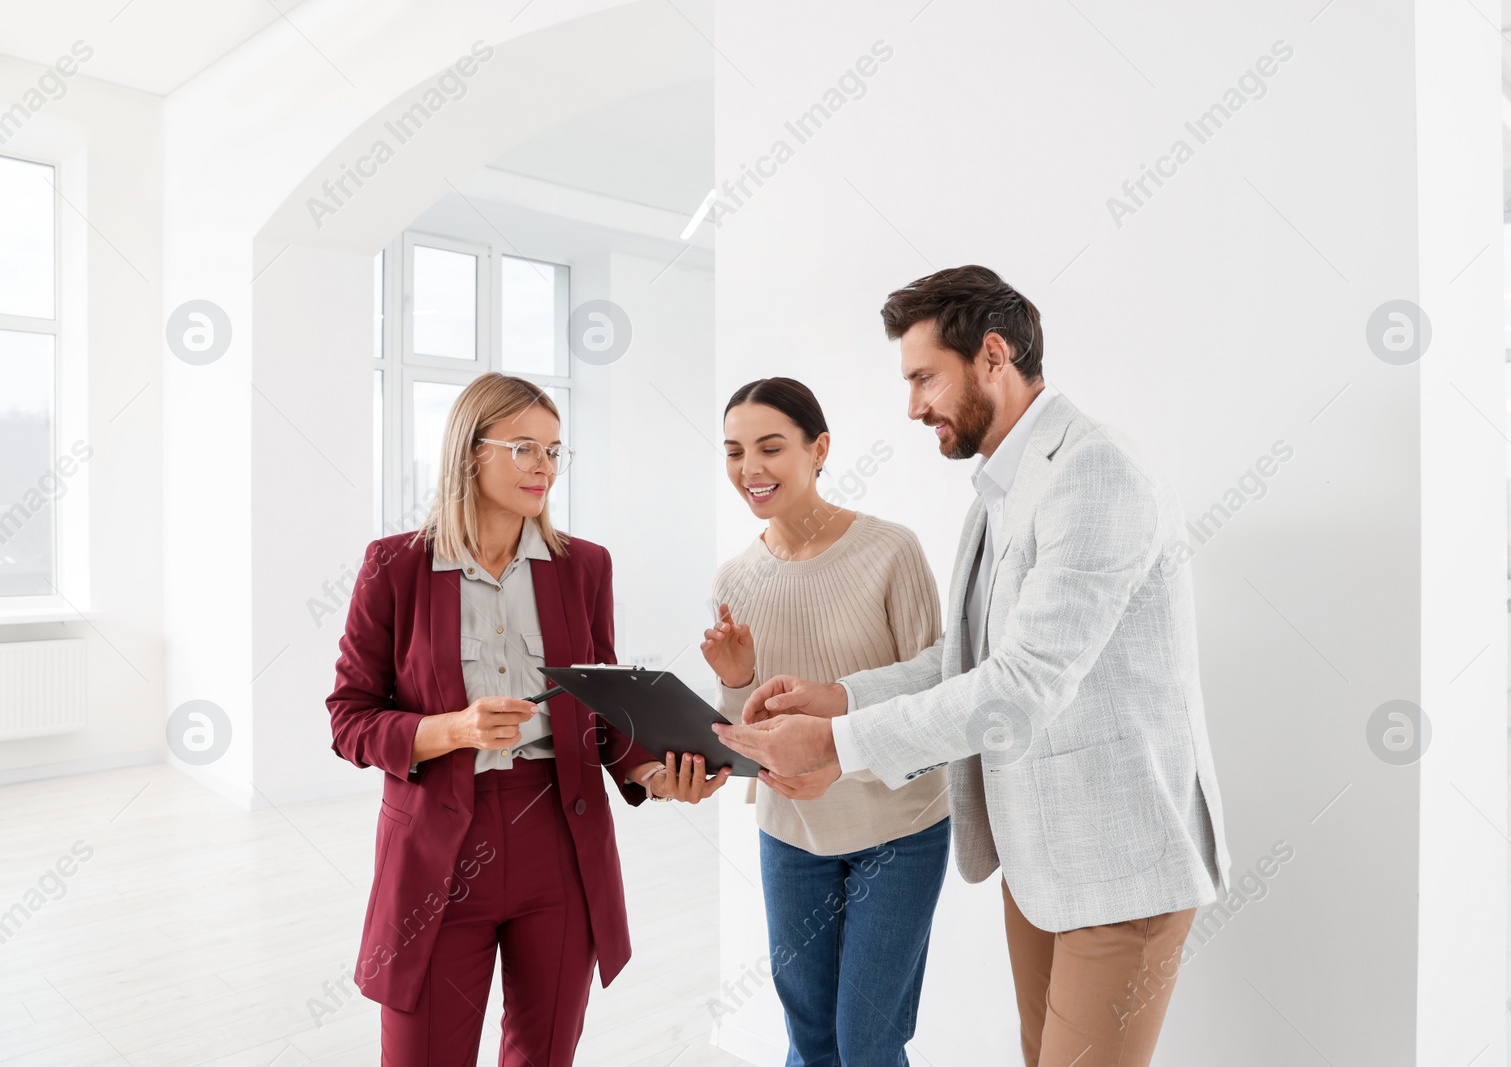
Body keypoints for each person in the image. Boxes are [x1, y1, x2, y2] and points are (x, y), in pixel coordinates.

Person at [713, 266, 1232, 1067]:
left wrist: (839, 743)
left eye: (924, 377)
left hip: (1119, 865)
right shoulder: (1000, 487)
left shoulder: (1091, 472)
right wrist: (839, 696)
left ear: (993, 355)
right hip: (1041, 860)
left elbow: (1018, 688)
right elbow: (964, 664)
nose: (912, 405)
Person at [327, 372, 729, 1067]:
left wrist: (655, 773)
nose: (544, 464)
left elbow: (604, 716)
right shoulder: (394, 566)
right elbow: (349, 717)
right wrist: (456, 728)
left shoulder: (584, 567)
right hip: (438, 849)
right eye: (524, 447)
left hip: (561, 840)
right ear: (469, 451)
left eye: (553, 449)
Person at [702, 377, 949, 1067]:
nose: (750, 468)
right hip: (791, 833)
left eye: (771, 447)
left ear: (820, 449)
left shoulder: (891, 551)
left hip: (900, 831)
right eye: (734, 451)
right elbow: (743, 737)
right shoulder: (734, 579)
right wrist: (734, 678)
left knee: (867, 1043)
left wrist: (840, 710)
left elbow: (939, 689)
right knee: (809, 1039)